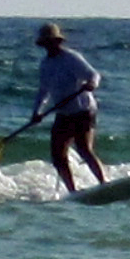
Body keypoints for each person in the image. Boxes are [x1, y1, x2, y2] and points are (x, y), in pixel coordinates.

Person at [29, 22, 106, 194]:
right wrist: (37, 112)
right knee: (58, 156)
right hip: (64, 113)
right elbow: (43, 91)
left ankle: (103, 183)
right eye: (47, 43)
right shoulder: (45, 65)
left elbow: (93, 74)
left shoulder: (71, 58)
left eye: (53, 42)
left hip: (83, 111)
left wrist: (92, 83)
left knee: (84, 149)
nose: (50, 45)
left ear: (58, 41)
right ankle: (72, 191)